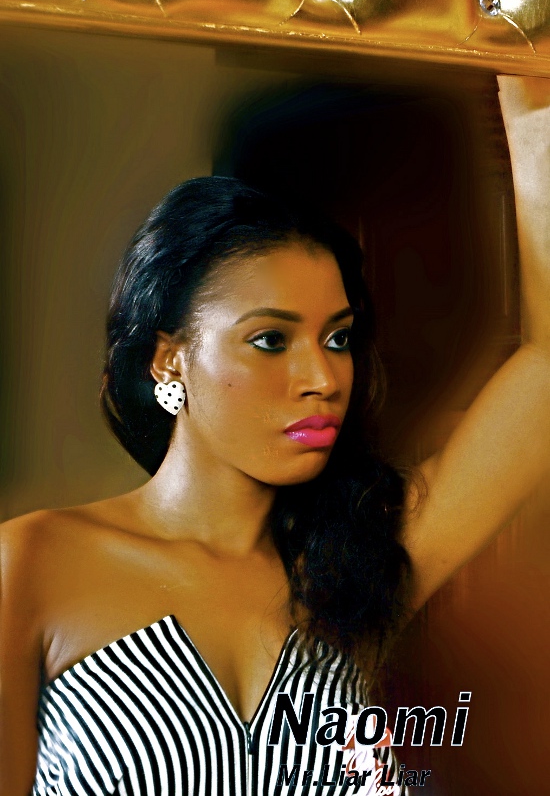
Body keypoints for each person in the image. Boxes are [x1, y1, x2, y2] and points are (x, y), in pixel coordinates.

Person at [0, 74, 549, 796]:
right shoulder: (32, 564)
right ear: (170, 359)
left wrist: (528, 86)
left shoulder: (358, 566)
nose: (322, 376)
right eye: (270, 340)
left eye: (338, 338)